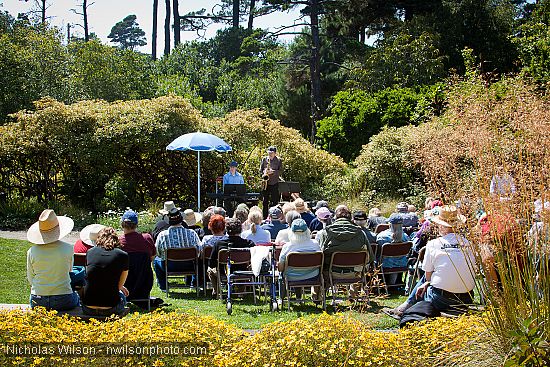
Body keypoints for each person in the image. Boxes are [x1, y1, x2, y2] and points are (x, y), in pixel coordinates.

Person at [385, 206, 475, 319]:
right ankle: (404, 307)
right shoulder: (468, 244)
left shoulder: (434, 244)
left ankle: (404, 308)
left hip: (441, 299)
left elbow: (428, 277)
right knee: (430, 278)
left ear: (440, 225)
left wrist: (427, 283)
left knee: (425, 278)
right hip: (466, 298)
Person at [27, 209, 80, 311]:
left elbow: (30, 278)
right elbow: (70, 271)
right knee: (77, 297)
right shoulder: (68, 248)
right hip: (63, 299)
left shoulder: (31, 251)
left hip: (38, 299)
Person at [81, 227, 129, 317]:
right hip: (110, 308)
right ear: (116, 239)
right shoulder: (123, 255)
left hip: (88, 307)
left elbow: (90, 276)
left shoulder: (90, 252)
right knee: (122, 295)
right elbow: (119, 286)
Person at [154, 208, 202, 291]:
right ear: (181, 220)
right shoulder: (192, 233)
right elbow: (199, 250)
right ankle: (193, 283)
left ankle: (163, 286)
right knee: (197, 261)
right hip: (190, 265)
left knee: (156, 260)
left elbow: (158, 252)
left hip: (169, 266)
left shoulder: (162, 235)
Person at [207, 218, 255, 298]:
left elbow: (211, 264)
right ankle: (241, 291)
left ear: (226, 229)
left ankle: (217, 291)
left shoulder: (219, 244)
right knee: (244, 266)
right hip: (243, 272)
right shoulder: (249, 243)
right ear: (241, 229)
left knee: (210, 270)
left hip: (223, 273)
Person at [118, 210, 156, 307]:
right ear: (136, 224)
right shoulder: (147, 238)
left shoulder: (118, 242)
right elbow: (152, 257)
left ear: (122, 224)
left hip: (125, 282)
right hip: (145, 282)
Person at [278, 219, 321, 298]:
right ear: (307, 231)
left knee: (281, 275)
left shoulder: (287, 247)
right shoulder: (315, 244)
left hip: (292, 277)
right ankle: (316, 297)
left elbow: (280, 268)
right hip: (313, 276)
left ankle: (282, 298)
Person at [376, 213, 411, 285]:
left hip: (385, 264)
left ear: (390, 224)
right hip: (402, 265)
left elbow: (378, 251)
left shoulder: (382, 236)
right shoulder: (406, 237)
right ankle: (395, 283)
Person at [260, 146, 283, 219]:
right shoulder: (264, 159)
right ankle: (264, 217)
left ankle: (274, 216)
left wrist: (273, 172)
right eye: (269, 152)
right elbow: (260, 170)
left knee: (274, 201)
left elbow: (281, 171)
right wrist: (264, 172)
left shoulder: (279, 160)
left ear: (275, 153)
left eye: (272, 153)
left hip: (274, 183)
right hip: (266, 183)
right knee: (265, 201)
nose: (270, 154)